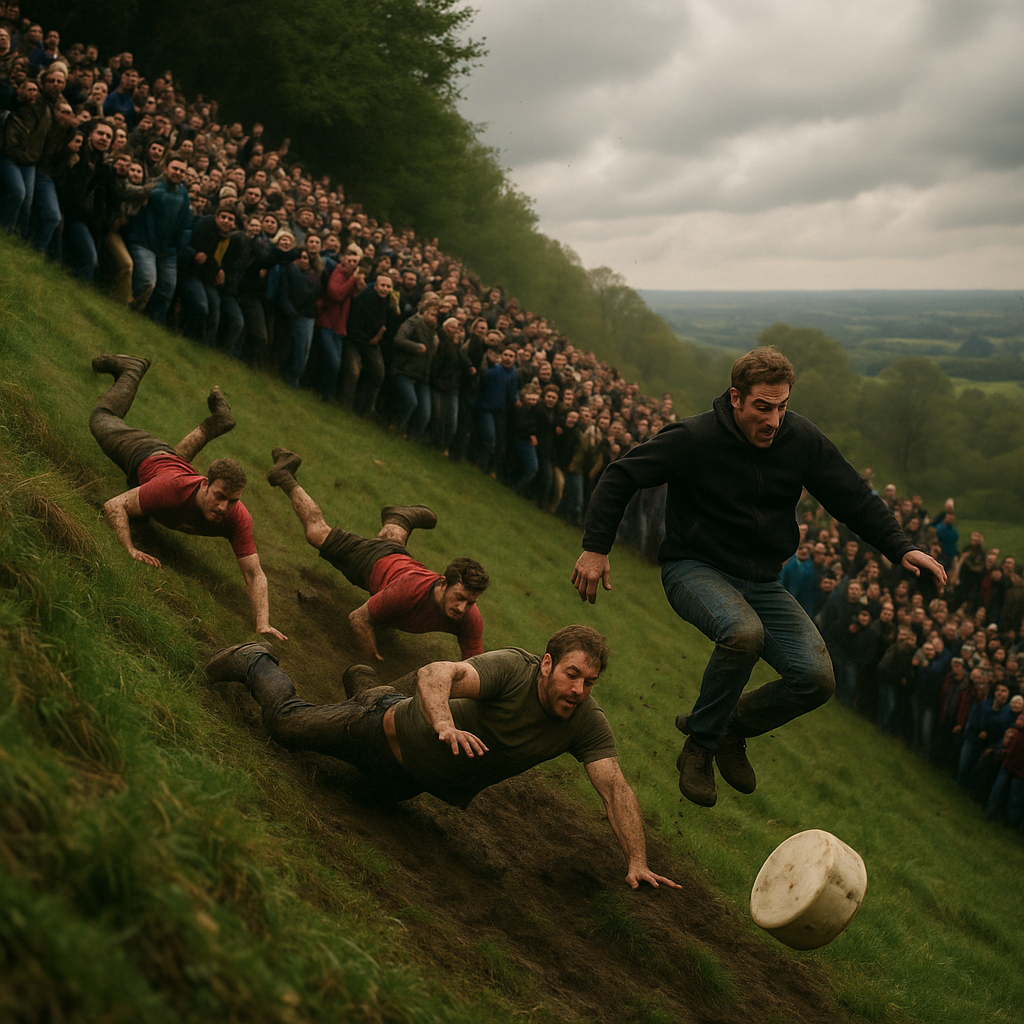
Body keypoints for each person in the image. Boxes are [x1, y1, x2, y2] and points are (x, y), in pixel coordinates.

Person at [571, 346, 947, 807]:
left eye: (782, 406)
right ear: (736, 398)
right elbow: (620, 474)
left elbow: (852, 496)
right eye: (763, 407)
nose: (773, 419)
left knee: (816, 679)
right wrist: (596, 547)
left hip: (763, 582)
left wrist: (902, 546)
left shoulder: (801, 439)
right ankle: (700, 747)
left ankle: (730, 728)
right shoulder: (694, 437)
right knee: (742, 633)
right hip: (694, 567)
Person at [204, 625, 680, 890]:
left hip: (405, 782)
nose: (578, 690)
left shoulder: (585, 721)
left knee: (359, 797)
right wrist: (445, 725)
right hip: (374, 732)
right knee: (286, 726)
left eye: (589, 682)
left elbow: (615, 787)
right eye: (571, 675)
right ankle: (255, 659)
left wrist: (637, 860)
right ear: (548, 664)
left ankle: (364, 683)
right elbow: (436, 672)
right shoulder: (514, 669)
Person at [88, 353, 287, 641]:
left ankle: (218, 421)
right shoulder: (171, 490)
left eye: (232, 500)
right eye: (220, 496)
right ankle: (131, 369)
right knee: (102, 418)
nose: (224, 507)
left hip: (171, 469)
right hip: (144, 453)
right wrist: (129, 548)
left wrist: (263, 623)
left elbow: (254, 575)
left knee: (173, 466)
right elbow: (114, 505)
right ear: (205, 484)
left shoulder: (237, 516)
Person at [266, 447, 487, 661]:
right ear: (443, 583)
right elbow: (359, 619)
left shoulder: (470, 617)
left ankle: (400, 518)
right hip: (371, 561)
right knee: (317, 533)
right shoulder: (409, 591)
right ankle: (285, 473)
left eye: (470, 602)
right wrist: (372, 664)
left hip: (398, 562)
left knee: (391, 547)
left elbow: (476, 666)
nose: (462, 608)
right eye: (459, 597)